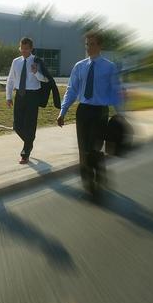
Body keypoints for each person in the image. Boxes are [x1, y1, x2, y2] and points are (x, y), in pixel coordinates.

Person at [56, 30, 124, 201]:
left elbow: (115, 92)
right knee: (83, 149)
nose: (88, 47)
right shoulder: (79, 66)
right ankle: (88, 184)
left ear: (100, 46)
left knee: (93, 148)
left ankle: (99, 175)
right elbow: (71, 90)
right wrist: (62, 112)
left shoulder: (109, 67)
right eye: (87, 44)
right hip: (84, 111)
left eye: (92, 44)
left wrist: (121, 114)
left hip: (100, 112)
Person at [5, 37, 48, 164]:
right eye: (21, 48)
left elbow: (45, 79)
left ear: (31, 48)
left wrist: (36, 72)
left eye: (26, 49)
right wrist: (8, 96)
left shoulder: (37, 61)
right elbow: (11, 79)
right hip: (20, 95)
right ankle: (29, 142)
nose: (23, 51)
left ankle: (25, 153)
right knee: (17, 126)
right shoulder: (16, 61)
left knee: (30, 124)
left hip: (33, 96)